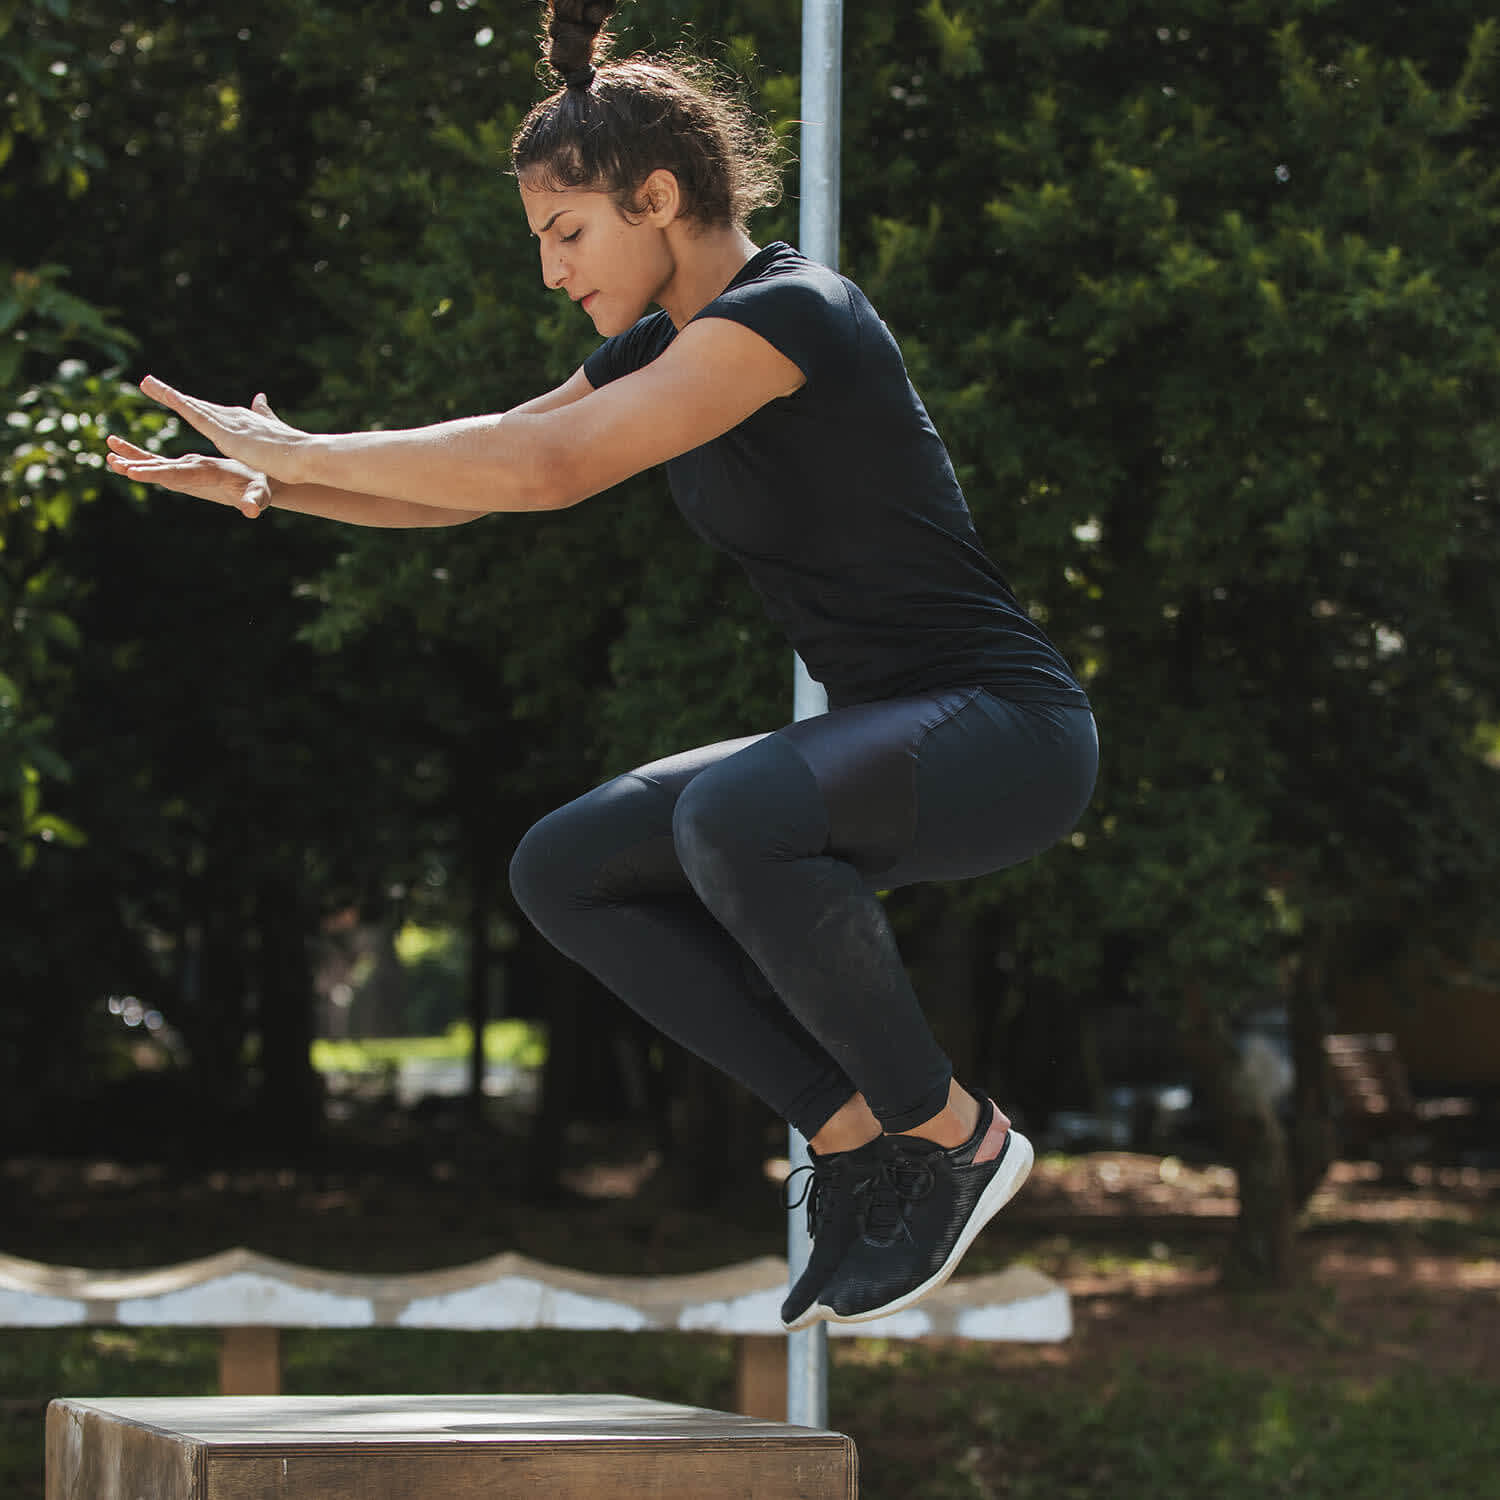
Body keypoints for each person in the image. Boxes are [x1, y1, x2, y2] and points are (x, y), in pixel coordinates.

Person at [103, 0, 1098, 1329]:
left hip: (1006, 730)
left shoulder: (794, 313)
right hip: (897, 736)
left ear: (661, 195)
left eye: (567, 235)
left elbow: (553, 463)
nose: (553, 272)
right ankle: (855, 1136)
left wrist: (303, 455)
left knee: (732, 818)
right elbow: (490, 474)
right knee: (565, 866)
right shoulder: (660, 349)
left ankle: (956, 1137)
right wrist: (276, 486)